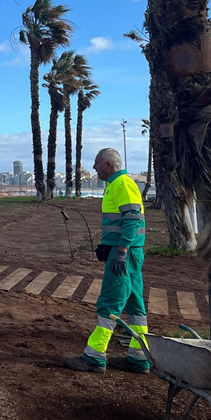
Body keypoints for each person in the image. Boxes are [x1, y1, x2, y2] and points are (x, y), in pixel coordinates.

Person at [64, 148, 149, 374]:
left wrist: (120, 250)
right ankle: (139, 357)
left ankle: (94, 356)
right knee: (134, 304)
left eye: (96, 163)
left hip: (125, 254)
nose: (94, 167)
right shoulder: (116, 185)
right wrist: (109, 245)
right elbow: (122, 221)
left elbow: (133, 219)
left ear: (108, 165)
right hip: (127, 252)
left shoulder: (122, 184)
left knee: (109, 302)